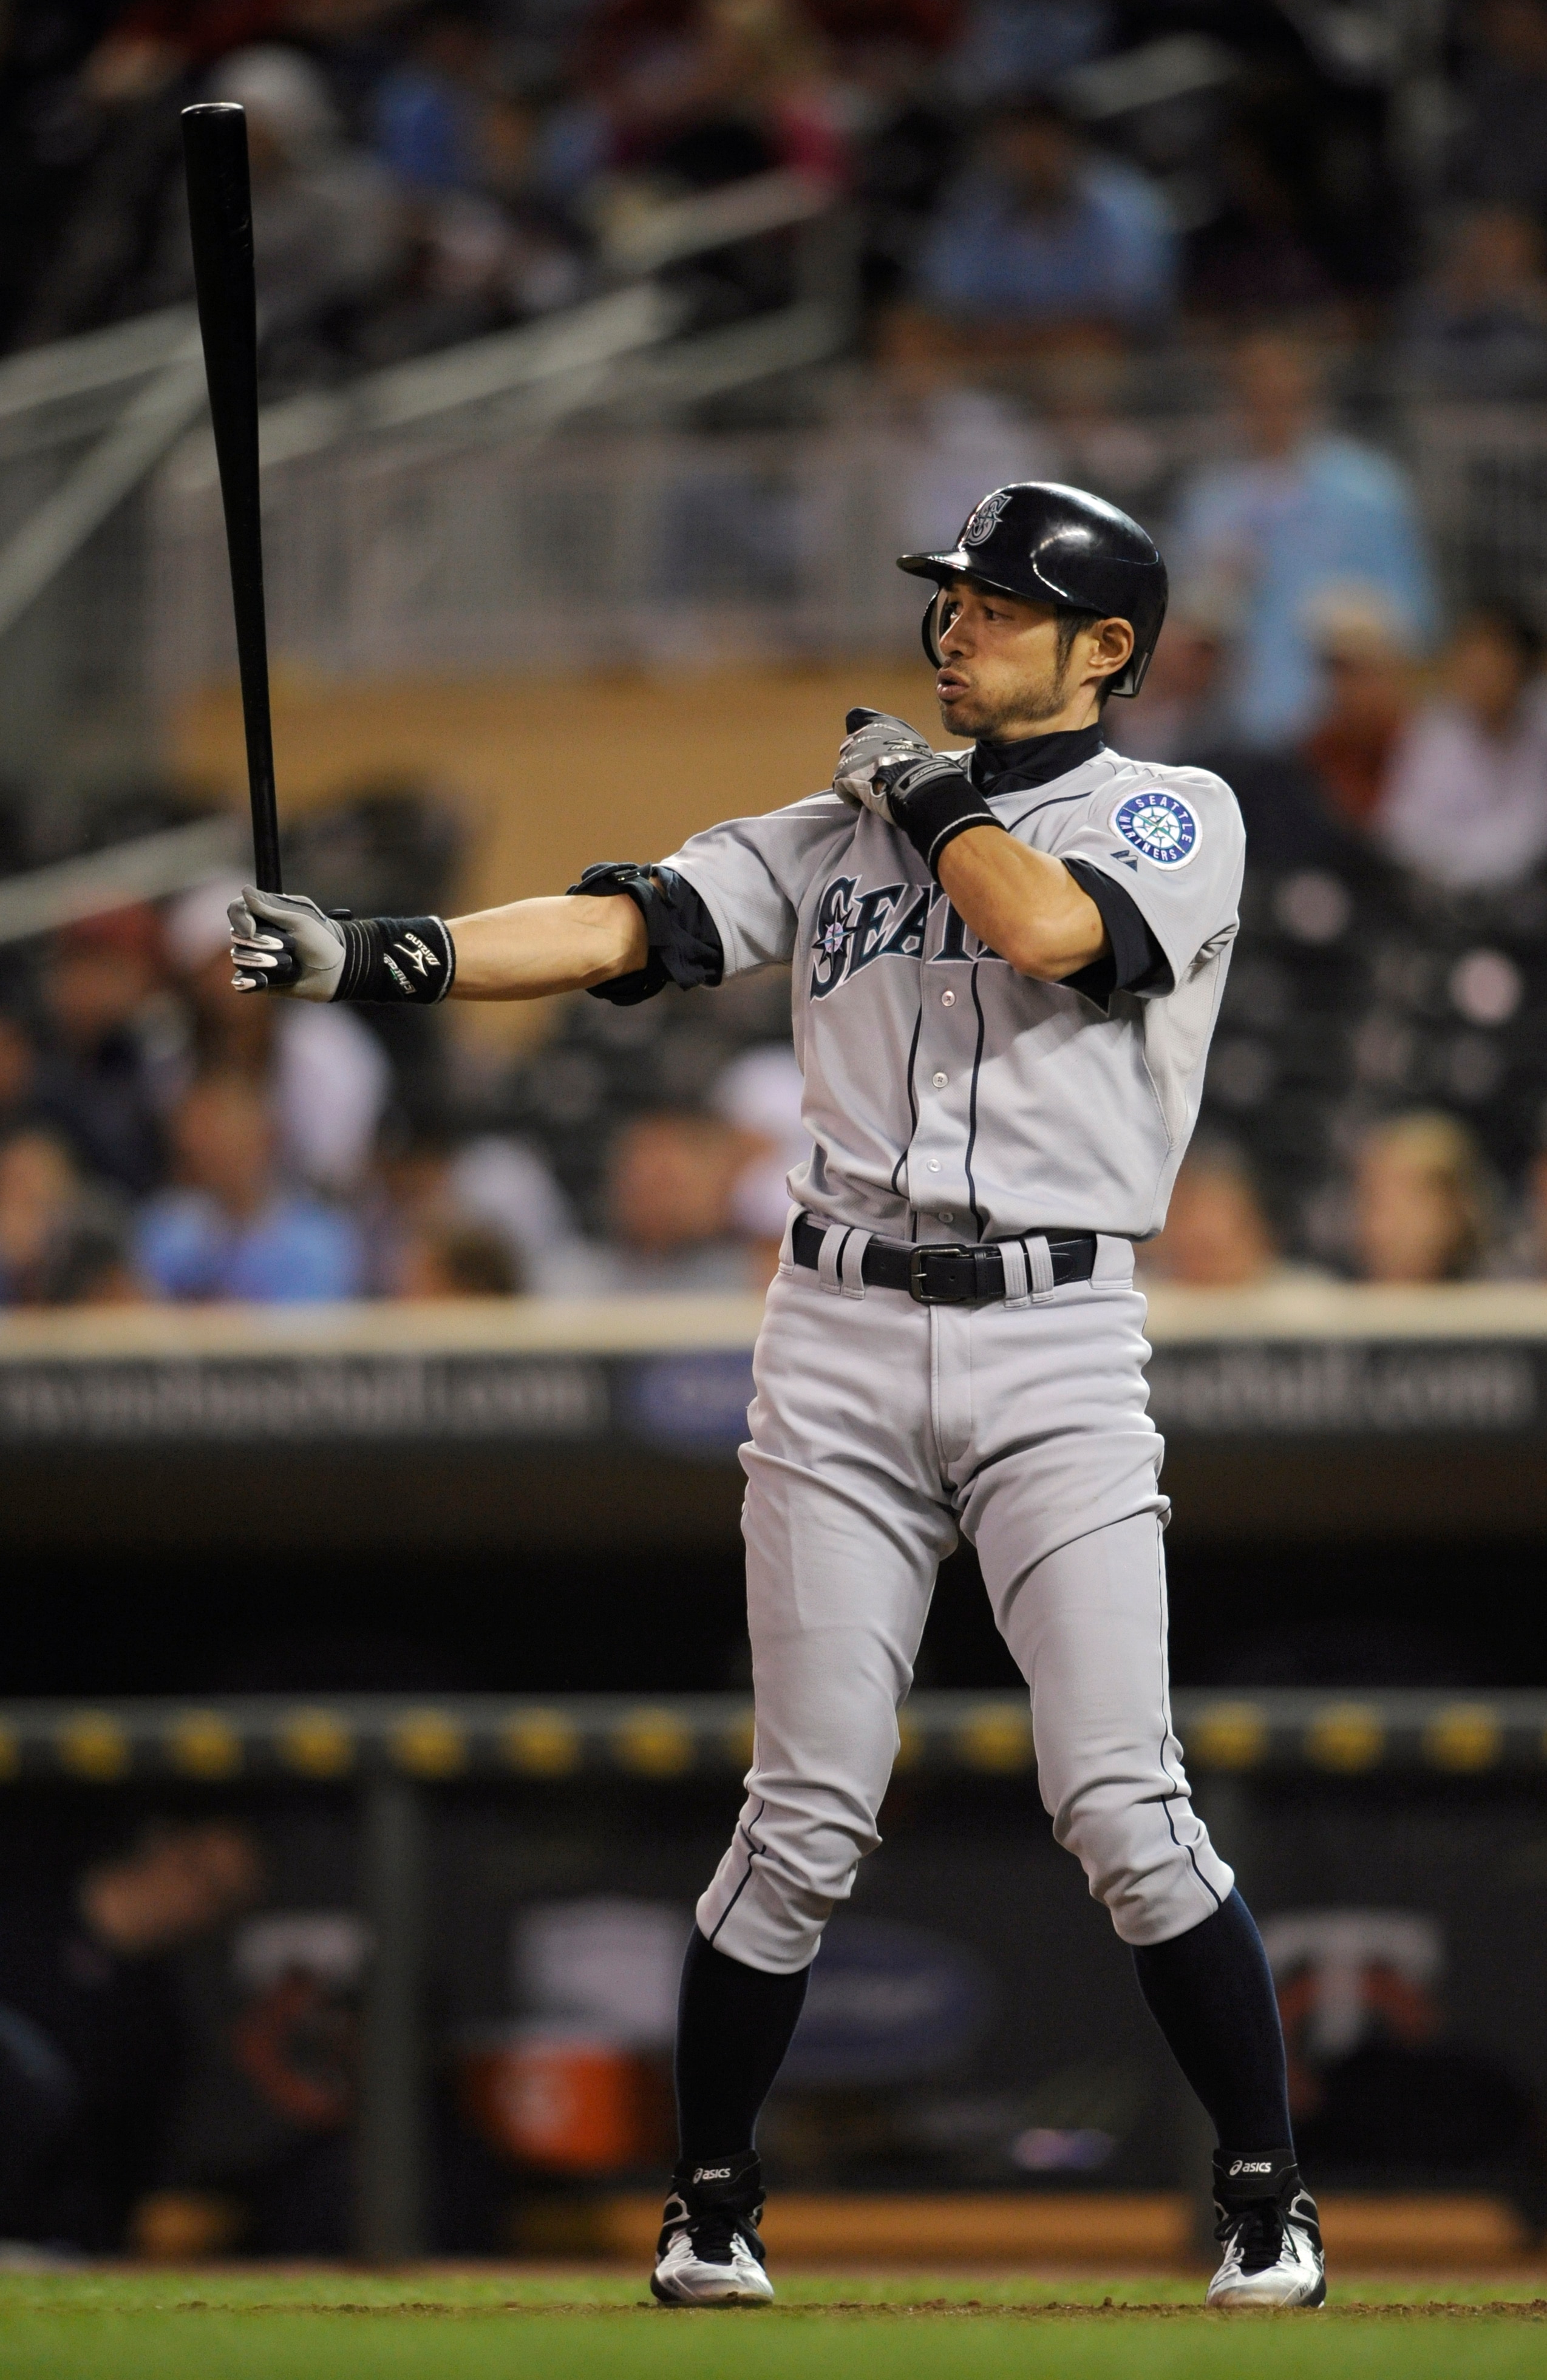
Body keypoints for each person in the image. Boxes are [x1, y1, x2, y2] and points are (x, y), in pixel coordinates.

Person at [228, 478, 1327, 2310]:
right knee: (805, 1806)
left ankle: (1268, 2192)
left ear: (1106, 646)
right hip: (833, 1330)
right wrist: (373, 951)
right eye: (954, 593)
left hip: (1056, 1334)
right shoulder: (847, 825)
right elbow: (622, 927)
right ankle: (712, 2201)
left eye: (995, 599)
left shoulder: (1169, 807)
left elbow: (1058, 933)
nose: (957, 619)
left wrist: (924, 797)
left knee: (1122, 1798)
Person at [0, 1820, 262, 2252]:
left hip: (36, 2241)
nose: (199, 1901)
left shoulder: (160, 2020)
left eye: (223, 1900)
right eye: (197, 1872)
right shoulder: (19, 1910)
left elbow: (125, 2174)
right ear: (158, 1843)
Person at [1171, 333, 1436, 748]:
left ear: (1311, 397)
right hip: (1235, 727)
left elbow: (1412, 619)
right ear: (1235, 403)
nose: (1270, 410)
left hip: (1343, 732)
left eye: (1283, 396)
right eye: (1255, 397)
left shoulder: (1370, 491)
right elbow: (1187, 626)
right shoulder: (1211, 500)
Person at [897, 92, 1176, 361]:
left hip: (1100, 355)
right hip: (996, 350)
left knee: (1087, 352)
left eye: (1040, 138)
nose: (1028, 153)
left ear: (1069, 141)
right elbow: (943, 299)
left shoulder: (1123, 203)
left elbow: (1133, 311)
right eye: (1016, 139)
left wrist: (1037, 337)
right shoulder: (976, 202)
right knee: (911, 334)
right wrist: (1003, 337)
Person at [135, 1073, 364, 1302]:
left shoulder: (317, 1241)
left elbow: (317, 1330)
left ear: (265, 1137)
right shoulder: (165, 1229)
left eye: (218, 1132)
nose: (203, 1148)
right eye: (196, 1134)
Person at [1379, 608, 1547, 893]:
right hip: (1447, 898)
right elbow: (1403, 833)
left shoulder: (1539, 727)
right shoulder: (1434, 734)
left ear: (1523, 670)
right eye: (1469, 663)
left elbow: (1534, 829)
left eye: (1491, 666)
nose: (1477, 677)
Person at [1352, 1111, 1493, 1284]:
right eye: (1372, 1204)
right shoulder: (1326, 1300)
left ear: (1452, 1209)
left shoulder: (1505, 1296)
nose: (1379, 1230)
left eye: (1401, 1211)